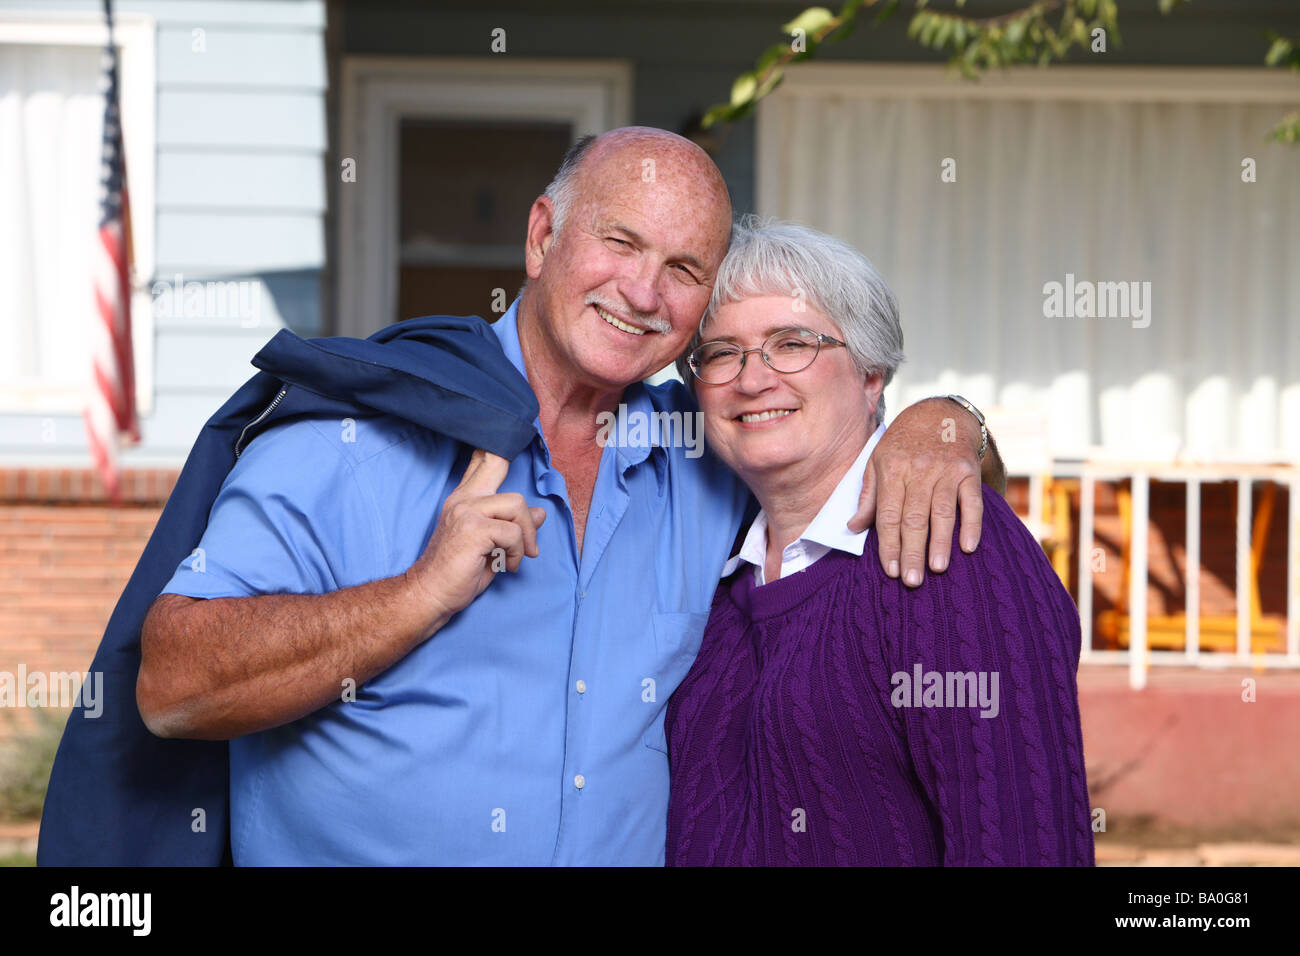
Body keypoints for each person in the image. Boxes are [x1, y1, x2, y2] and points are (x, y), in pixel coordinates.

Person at [136, 128, 1005, 865]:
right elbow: (172, 687)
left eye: (683, 268)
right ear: (543, 237)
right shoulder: (348, 443)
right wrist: (418, 595)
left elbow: (859, 458)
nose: (642, 293)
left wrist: (943, 421)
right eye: (620, 243)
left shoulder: (710, 456)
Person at [665, 218, 1094, 866]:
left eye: (792, 343)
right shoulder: (716, 576)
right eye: (722, 352)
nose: (752, 379)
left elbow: (1026, 842)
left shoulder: (943, 543)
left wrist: (951, 419)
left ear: (871, 374)